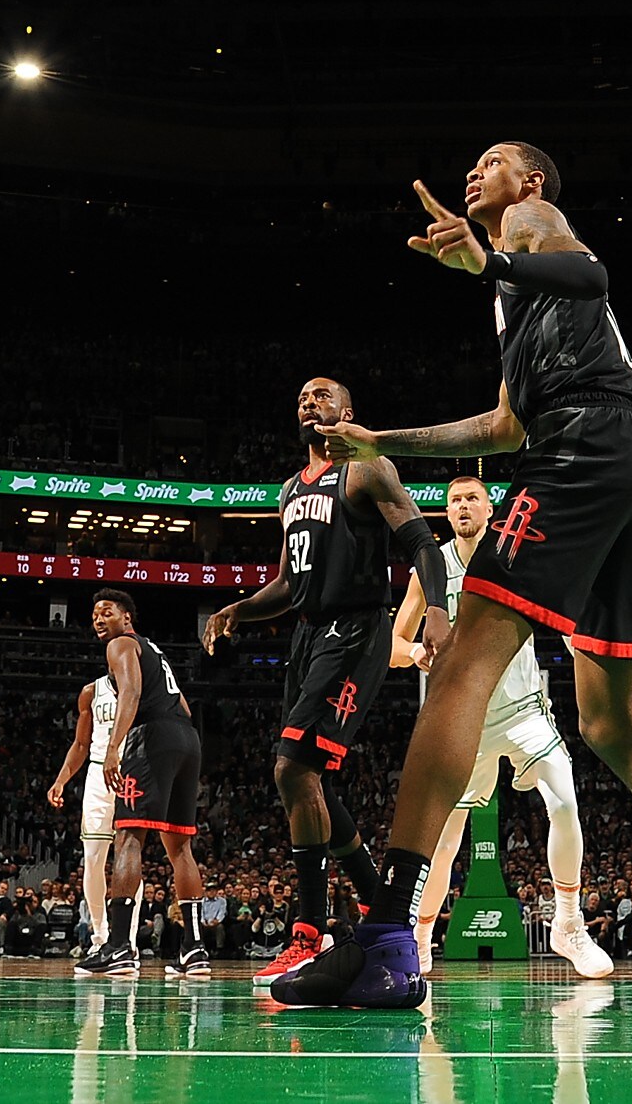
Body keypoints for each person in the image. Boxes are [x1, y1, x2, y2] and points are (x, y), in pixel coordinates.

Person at [277, 148, 632, 1007]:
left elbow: (593, 274)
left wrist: (490, 254)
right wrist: (387, 441)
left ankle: (385, 937)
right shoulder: (517, 295)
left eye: (494, 160)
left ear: (529, 183)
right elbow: (501, 425)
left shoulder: (530, 227)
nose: (475, 170)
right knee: (610, 720)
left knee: (458, 670)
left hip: (586, 449)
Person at [202, 376, 450, 989]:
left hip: (358, 630)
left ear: (348, 411)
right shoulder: (289, 490)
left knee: (292, 769)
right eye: (301, 397)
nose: (308, 402)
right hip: (308, 634)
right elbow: (289, 582)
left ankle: (309, 931)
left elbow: (421, 539)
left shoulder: (367, 470)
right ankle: (372, 899)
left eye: (321, 395)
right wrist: (240, 608)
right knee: (305, 776)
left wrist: (438, 610)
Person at [392, 471, 613, 978]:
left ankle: (568, 924)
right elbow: (392, 646)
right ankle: (421, 941)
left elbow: (564, 618)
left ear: (491, 509)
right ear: (446, 514)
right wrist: (417, 653)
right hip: (459, 719)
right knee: (444, 842)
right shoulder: (430, 569)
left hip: (522, 709)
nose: (463, 505)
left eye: (473, 498)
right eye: (454, 501)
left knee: (564, 798)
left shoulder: (515, 558)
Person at [81, 590, 216, 976]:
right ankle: (194, 949)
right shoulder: (154, 651)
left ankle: (120, 945)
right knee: (179, 846)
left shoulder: (122, 644)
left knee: (127, 836)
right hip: (186, 739)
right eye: (94, 614)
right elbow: (185, 707)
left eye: (107, 612)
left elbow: (132, 692)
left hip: (151, 739)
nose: (98, 619)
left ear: (127, 618)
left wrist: (112, 748)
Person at [45, 664, 121, 967]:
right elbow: (80, 743)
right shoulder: (91, 691)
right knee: (92, 857)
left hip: (133, 773)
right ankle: (100, 938)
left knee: (131, 854)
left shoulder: (144, 686)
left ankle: (124, 940)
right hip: (98, 772)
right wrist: (61, 780)